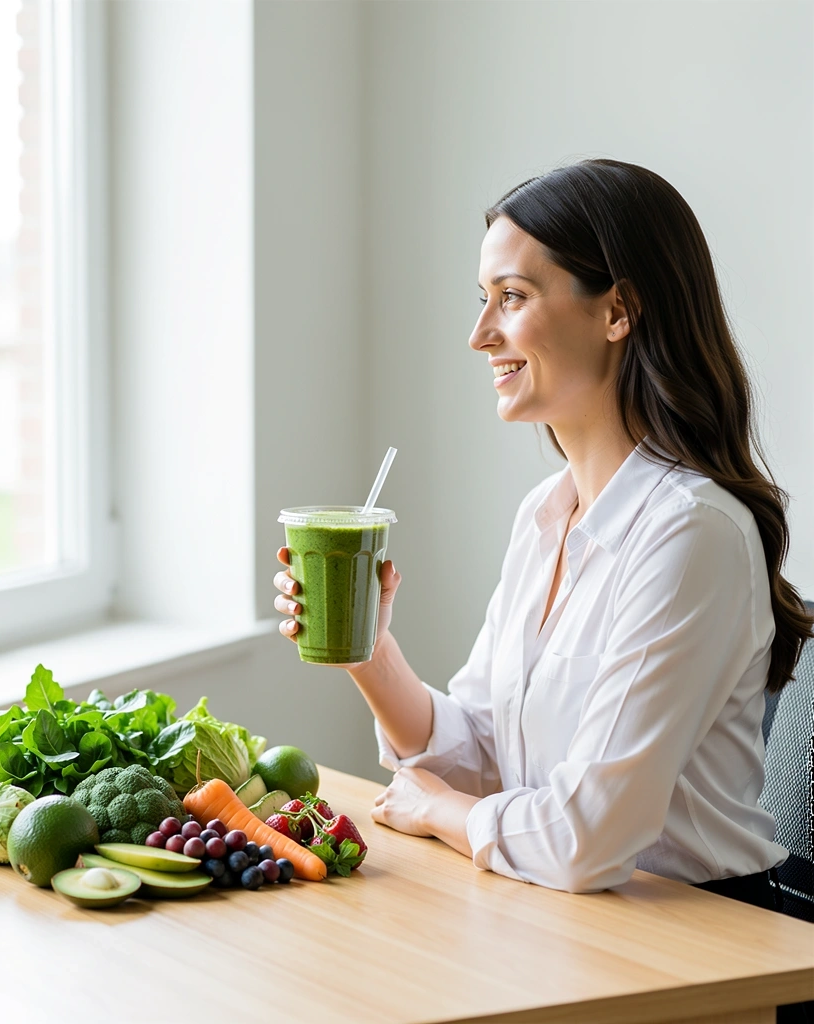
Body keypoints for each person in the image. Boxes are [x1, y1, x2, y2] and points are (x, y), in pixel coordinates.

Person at [273, 159, 812, 908]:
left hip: (701, 943)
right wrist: (369, 651)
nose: (479, 334)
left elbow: (585, 838)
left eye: (512, 297)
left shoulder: (693, 535)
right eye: (482, 299)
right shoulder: (545, 515)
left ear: (617, 311)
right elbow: (488, 758)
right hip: (562, 917)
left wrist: (439, 812)